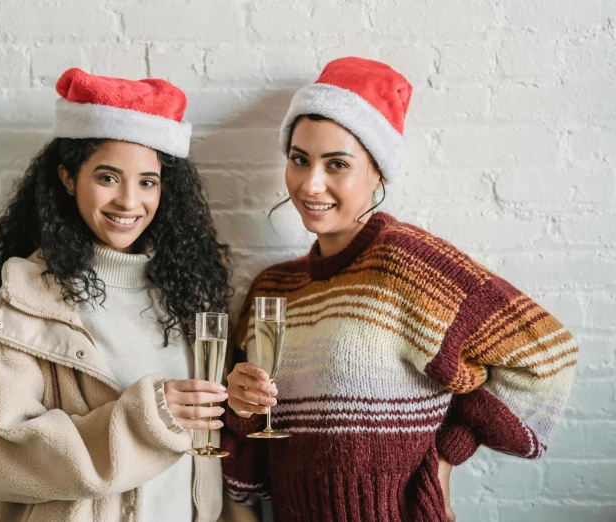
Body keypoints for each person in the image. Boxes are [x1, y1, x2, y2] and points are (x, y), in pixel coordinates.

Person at [221, 57, 578, 522]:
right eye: (299, 159)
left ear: (378, 173)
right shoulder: (274, 288)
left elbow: (548, 356)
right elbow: (249, 448)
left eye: (337, 164)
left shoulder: (409, 265)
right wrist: (240, 404)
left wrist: (447, 457)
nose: (311, 184)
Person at [0, 68, 231, 522]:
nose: (129, 202)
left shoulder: (187, 291)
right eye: (108, 177)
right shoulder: (32, 297)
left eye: (147, 182)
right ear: (67, 177)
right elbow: (2, 453)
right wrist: (148, 419)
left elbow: (201, 432)